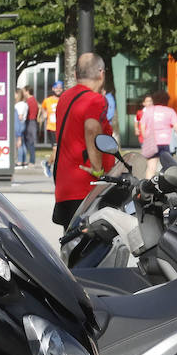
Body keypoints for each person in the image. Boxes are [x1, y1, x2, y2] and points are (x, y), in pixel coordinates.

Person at [50, 53, 115, 227]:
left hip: (66, 186)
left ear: (76, 74)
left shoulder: (64, 98)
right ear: (101, 73)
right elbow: (92, 129)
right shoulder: (95, 100)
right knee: (94, 248)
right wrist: (98, 169)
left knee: (73, 246)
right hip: (87, 187)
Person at [138, 88, 177, 179]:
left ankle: (148, 188)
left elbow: (142, 125)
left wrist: (146, 137)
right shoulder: (170, 111)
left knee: (151, 167)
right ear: (167, 100)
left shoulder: (148, 110)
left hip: (152, 142)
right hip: (167, 142)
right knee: (168, 167)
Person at [39, 80, 63, 176]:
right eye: (56, 87)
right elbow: (42, 107)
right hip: (51, 127)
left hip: (60, 128)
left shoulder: (63, 99)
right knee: (56, 149)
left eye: (60, 88)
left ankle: (48, 164)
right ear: (53, 88)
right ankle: (48, 164)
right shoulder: (48, 100)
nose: (58, 89)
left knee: (59, 151)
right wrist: (44, 114)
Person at [22, 86, 39, 165]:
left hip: (30, 121)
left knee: (29, 141)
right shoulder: (33, 100)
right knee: (29, 141)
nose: (23, 93)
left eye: (24, 91)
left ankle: (31, 160)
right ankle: (30, 160)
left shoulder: (29, 101)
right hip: (32, 121)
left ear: (27, 91)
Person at [13, 87, 29, 167]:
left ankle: (19, 161)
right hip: (23, 124)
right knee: (22, 144)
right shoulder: (25, 104)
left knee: (19, 143)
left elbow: (19, 116)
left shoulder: (18, 105)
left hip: (19, 124)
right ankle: (24, 160)